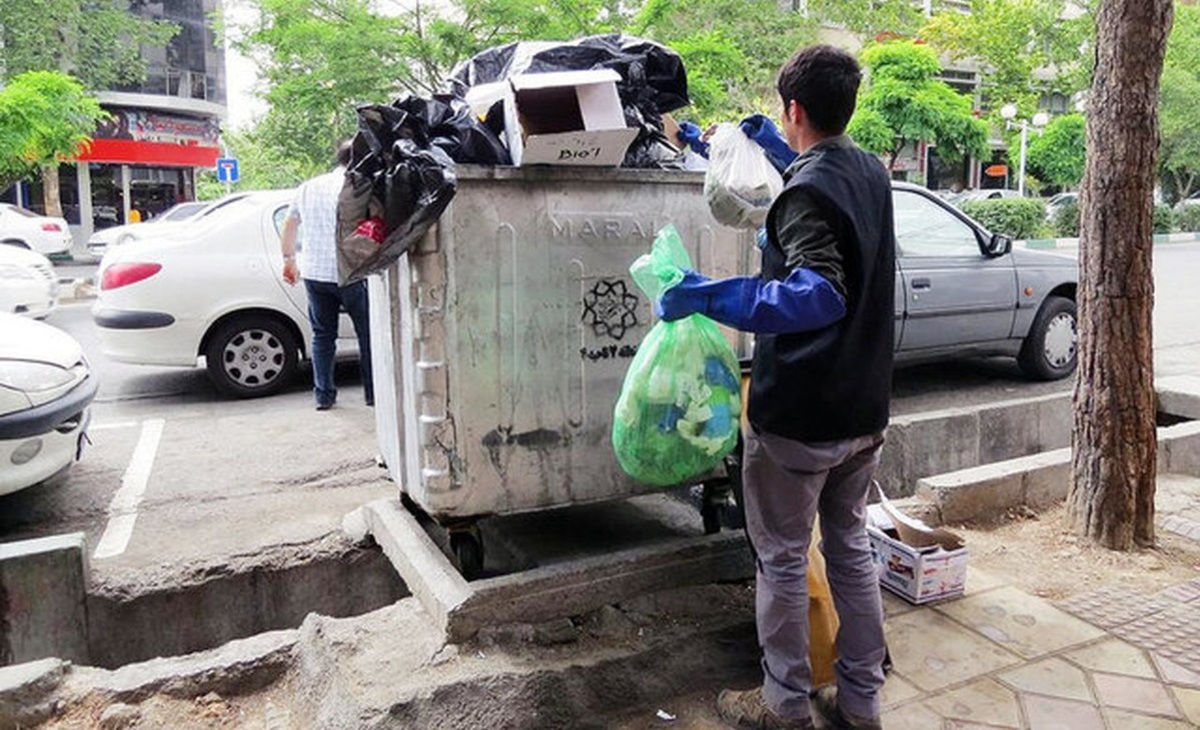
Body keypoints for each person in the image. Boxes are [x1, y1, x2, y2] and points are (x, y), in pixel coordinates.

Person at [657, 45, 895, 730]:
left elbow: (818, 292)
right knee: (849, 548)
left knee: (785, 560)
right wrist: (777, 152)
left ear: (794, 108)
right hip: (864, 409)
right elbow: (833, 217)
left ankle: (784, 705)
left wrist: (710, 296)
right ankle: (860, 702)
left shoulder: (806, 191)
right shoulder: (869, 171)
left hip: (803, 417)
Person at [280, 141, 373, 411]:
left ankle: (323, 395)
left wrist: (289, 260)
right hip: (350, 272)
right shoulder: (358, 186)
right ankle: (372, 394)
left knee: (322, 336)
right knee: (366, 335)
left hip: (315, 273)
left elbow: (290, 224)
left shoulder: (308, 187)